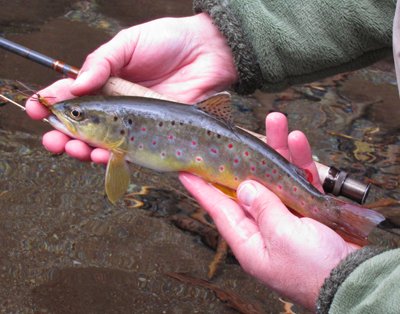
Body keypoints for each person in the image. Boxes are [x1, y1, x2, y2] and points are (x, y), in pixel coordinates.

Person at [26, 1, 400, 312]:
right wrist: (217, 39)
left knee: (304, 203)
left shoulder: (120, 145)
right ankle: (343, 219)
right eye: (76, 114)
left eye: (77, 116)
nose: (68, 116)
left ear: (117, 131)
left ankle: (333, 214)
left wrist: (349, 285)